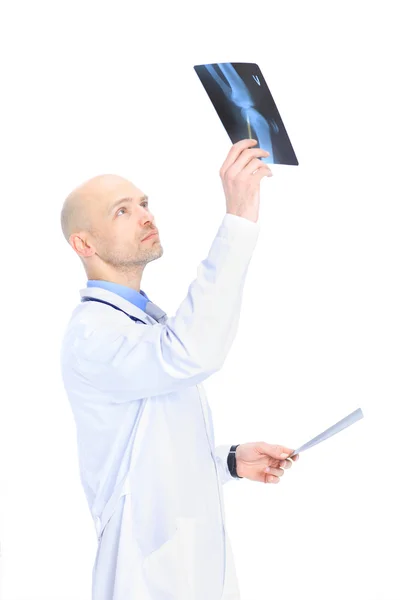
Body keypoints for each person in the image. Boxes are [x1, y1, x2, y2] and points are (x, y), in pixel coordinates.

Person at [59, 138, 299, 600]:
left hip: (190, 571)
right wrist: (239, 219)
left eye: (144, 203)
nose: (147, 215)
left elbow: (149, 452)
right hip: (146, 578)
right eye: (122, 211)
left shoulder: (142, 324)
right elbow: (190, 352)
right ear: (83, 243)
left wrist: (226, 461)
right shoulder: (92, 335)